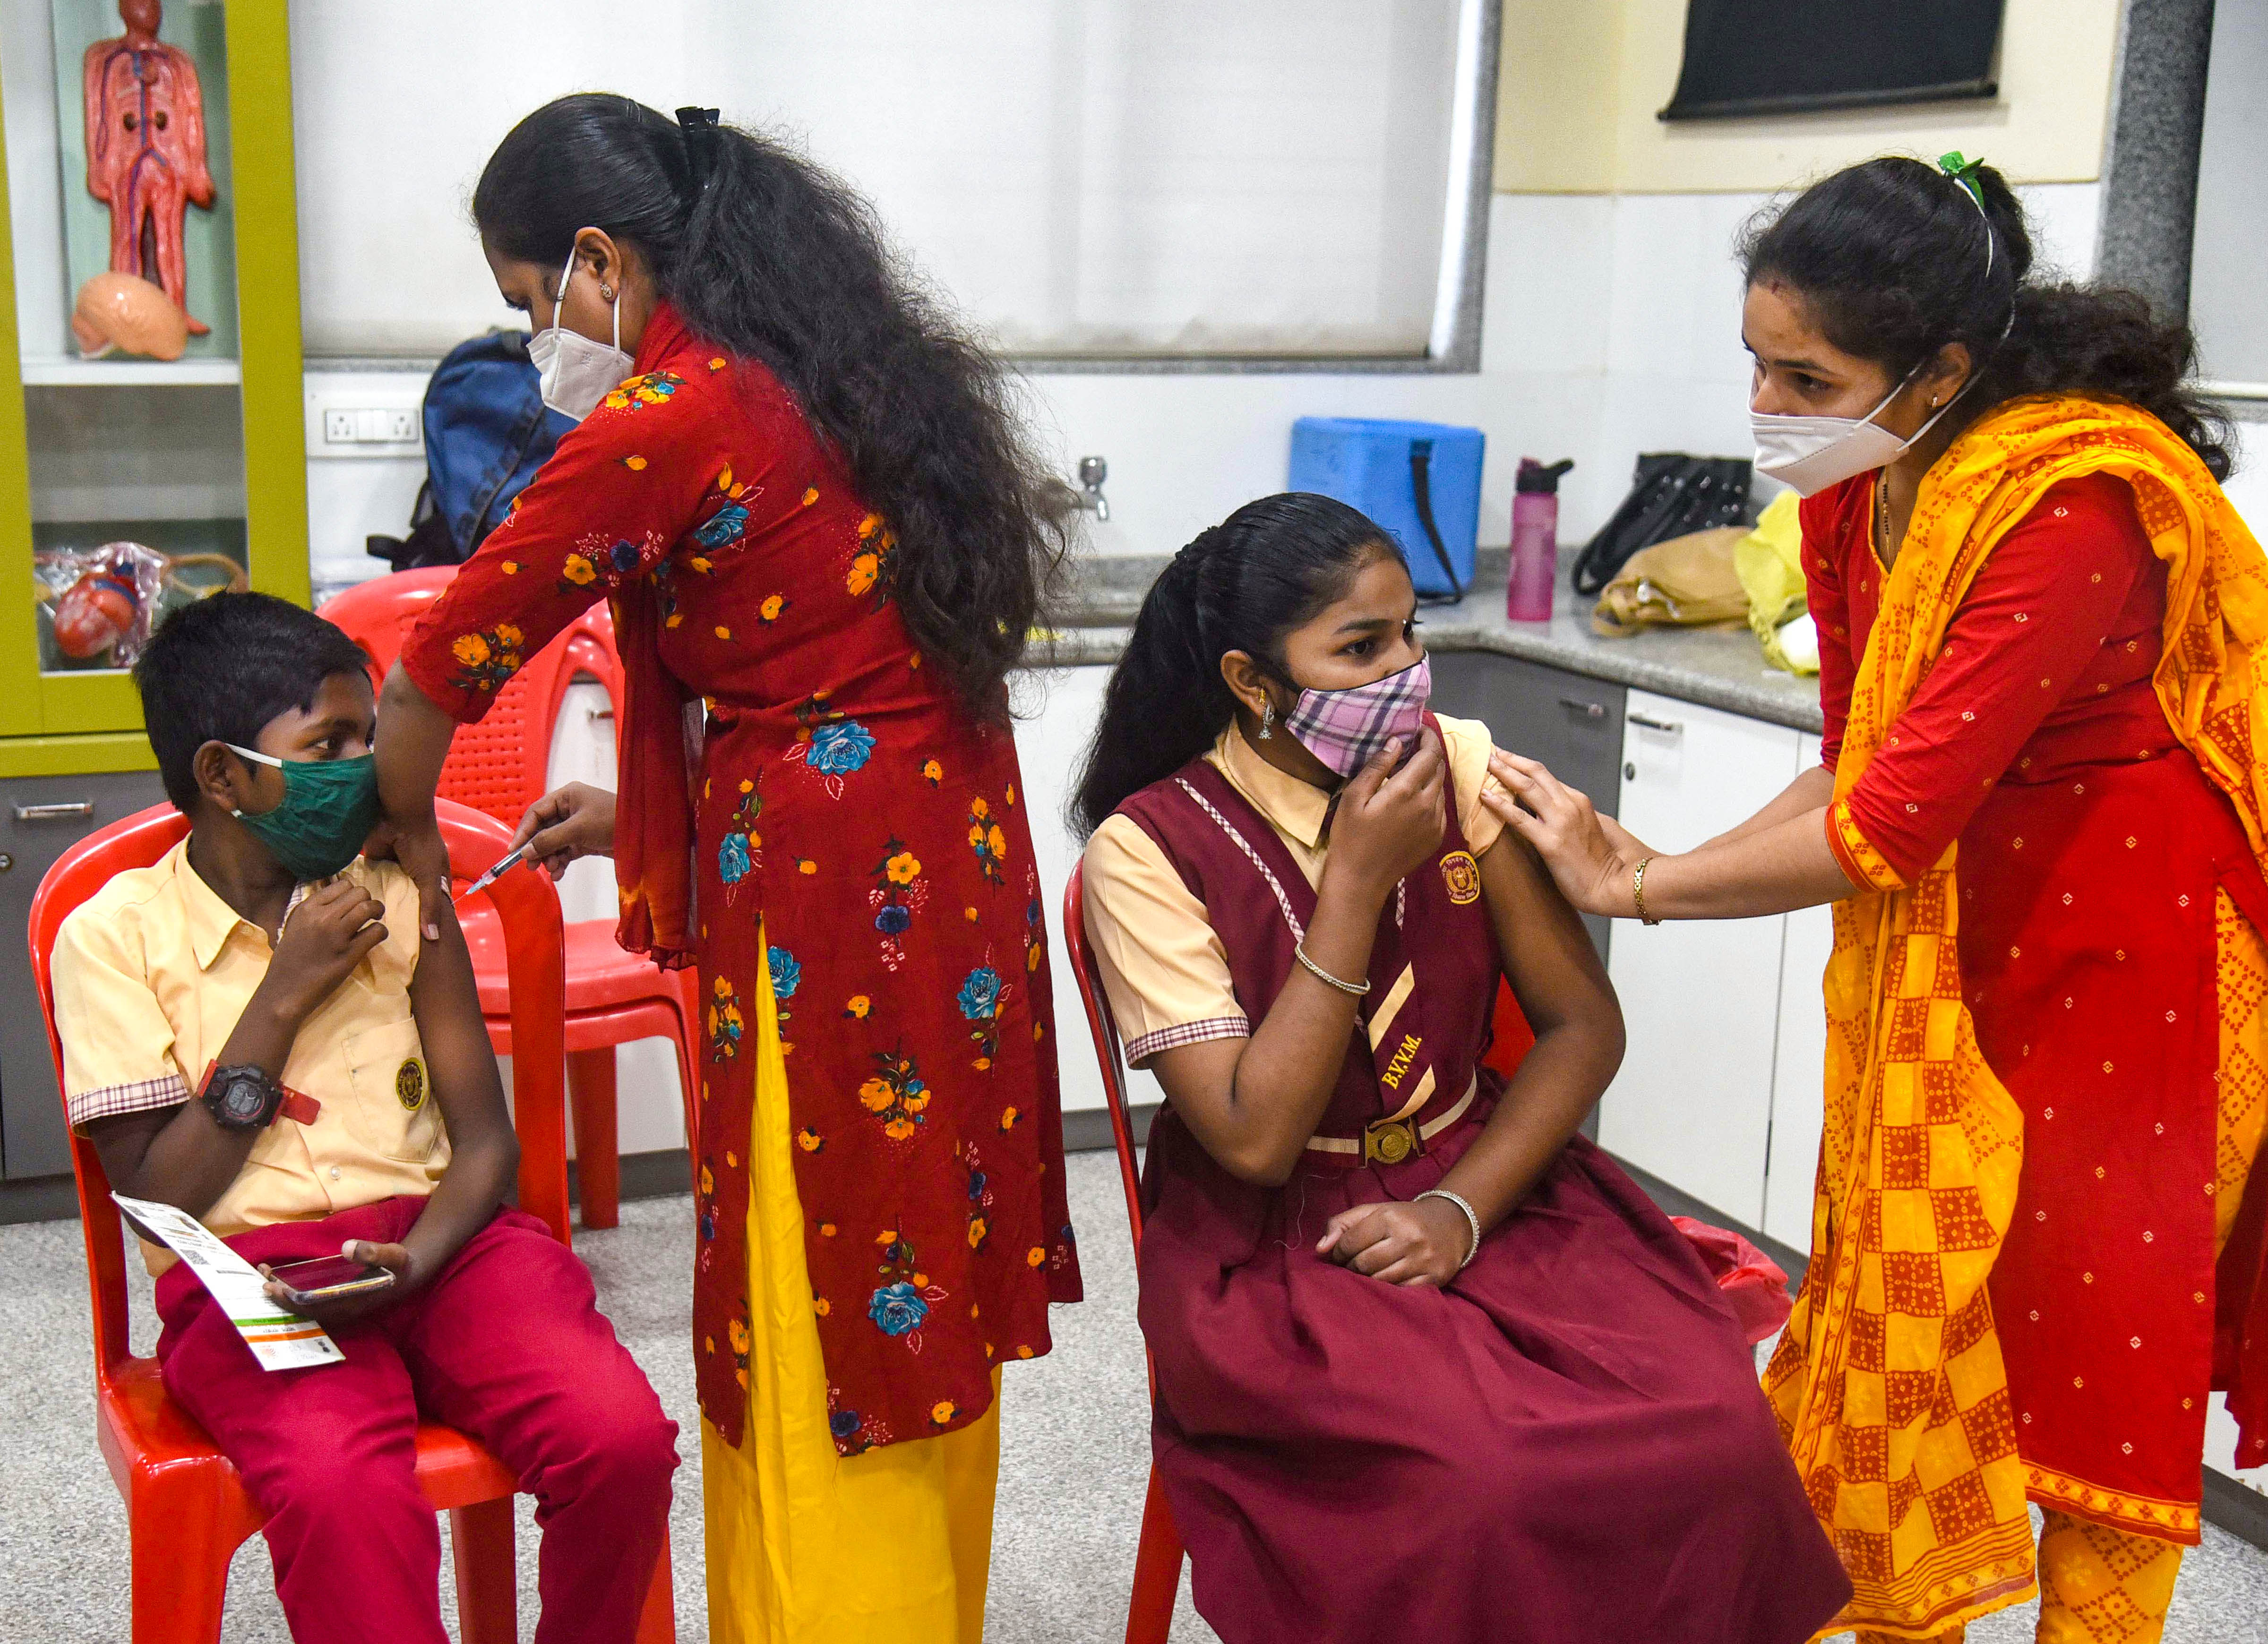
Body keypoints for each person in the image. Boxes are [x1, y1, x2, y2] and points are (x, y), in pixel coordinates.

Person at [1490, 154, 2268, 1644]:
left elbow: (1890, 827)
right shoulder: (1865, 491)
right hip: (1969, 944)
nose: (1771, 410)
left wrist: (1636, 881)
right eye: (1758, 369)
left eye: (1808, 375)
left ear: (1945, 369)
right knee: (1922, 1313)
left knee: (2093, 1357)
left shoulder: (2068, 502)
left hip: (2140, 966)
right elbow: (1856, 769)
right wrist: (1640, 854)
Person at [372, 95, 1082, 1644]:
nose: (538, 344)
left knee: (829, 1279)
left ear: (596, 260)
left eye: (527, 306)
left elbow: (438, 667)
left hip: (837, 904)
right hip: (943, 859)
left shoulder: (671, 415)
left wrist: (402, 848)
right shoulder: (843, 370)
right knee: (915, 1278)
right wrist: (633, 814)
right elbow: (814, 649)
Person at [1073, 493, 1853, 1644]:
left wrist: (1459, 1209)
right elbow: (1250, 1137)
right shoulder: (1149, 848)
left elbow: (1585, 1027)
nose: (1406, 673)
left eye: (1409, 633)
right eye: (1359, 649)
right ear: (1252, 682)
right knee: (1483, 1479)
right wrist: (1350, 890)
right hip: (1283, 1241)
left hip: (1485, 1175)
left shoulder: (1463, 767)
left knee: (1718, 1429)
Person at [52, 592, 676, 1644]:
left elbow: (486, 1145)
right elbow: (157, 1199)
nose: (368, 767)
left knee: (618, 1438)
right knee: (343, 1491)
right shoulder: (112, 938)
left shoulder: (390, 889)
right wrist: (284, 992)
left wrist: (425, 1258)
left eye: (367, 736)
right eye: (328, 743)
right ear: (225, 777)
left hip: (448, 1242)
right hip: (255, 1278)